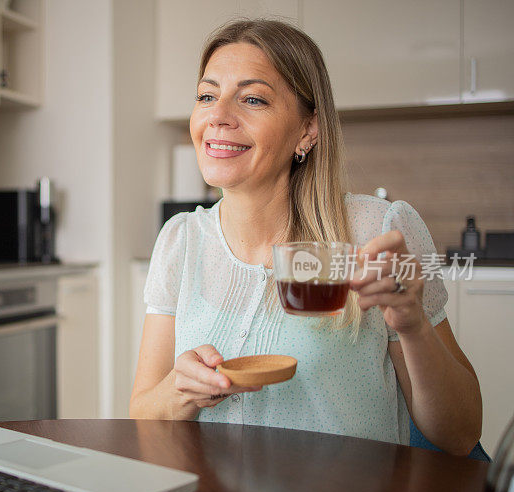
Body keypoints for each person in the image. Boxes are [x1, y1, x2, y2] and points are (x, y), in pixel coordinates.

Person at [129, 19, 482, 455]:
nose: (218, 116)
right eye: (206, 96)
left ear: (307, 130)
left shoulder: (377, 231)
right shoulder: (179, 241)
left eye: (252, 99)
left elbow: (461, 435)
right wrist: (182, 390)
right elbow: (143, 415)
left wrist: (413, 329)